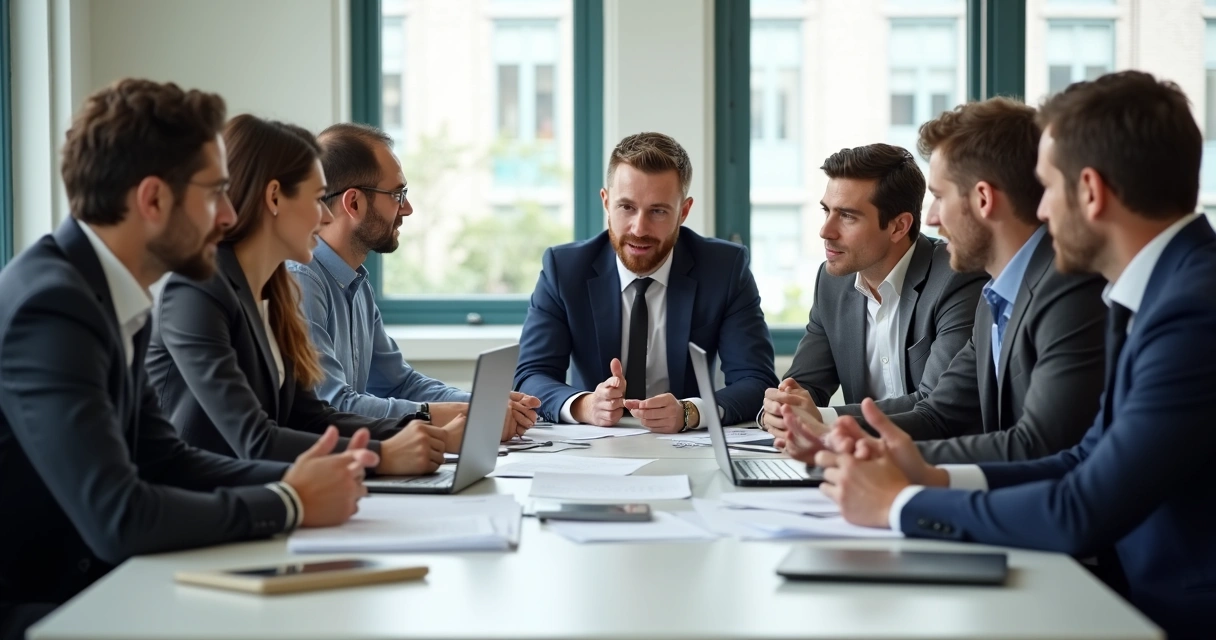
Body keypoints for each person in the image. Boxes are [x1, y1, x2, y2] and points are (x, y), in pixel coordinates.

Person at [795, 71, 1216, 639]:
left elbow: (1079, 504)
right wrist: (930, 476)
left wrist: (902, 503)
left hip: (1167, 610)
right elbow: (1082, 459)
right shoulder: (1147, 290)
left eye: (1047, 187)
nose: (1038, 211)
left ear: (1089, 192)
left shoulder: (1191, 307)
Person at [0, 80, 374, 640]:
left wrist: (300, 480)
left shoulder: (111, 291)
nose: (227, 216)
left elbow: (166, 458)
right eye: (214, 193)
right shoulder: (54, 306)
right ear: (152, 200)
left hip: (99, 586)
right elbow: (117, 517)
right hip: (43, 606)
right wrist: (289, 501)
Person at [770, 97, 1108, 464]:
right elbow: (939, 414)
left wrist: (895, 472)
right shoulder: (997, 296)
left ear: (983, 199)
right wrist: (833, 440)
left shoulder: (1063, 290)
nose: (930, 219)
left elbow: (1039, 448)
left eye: (939, 197)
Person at [146, 114, 452, 474]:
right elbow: (254, 439)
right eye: (318, 199)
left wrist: (420, 435)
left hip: (260, 492)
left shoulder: (273, 290)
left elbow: (310, 417)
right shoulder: (196, 288)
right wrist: (383, 455)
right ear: (275, 197)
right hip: (204, 507)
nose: (326, 217)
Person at [288, 123, 539, 441]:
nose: (407, 208)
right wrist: (458, 415)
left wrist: (481, 404)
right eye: (397, 194)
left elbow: (398, 383)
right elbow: (333, 405)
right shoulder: (302, 281)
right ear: (353, 204)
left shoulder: (357, 285)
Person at [514, 132, 778, 433]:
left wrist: (689, 411)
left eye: (658, 211)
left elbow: (757, 381)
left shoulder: (724, 269)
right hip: (594, 444)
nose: (639, 228)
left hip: (687, 446)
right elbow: (531, 375)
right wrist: (584, 405)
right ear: (606, 202)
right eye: (626, 207)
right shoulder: (564, 270)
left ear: (684, 211)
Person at [759, 144, 985, 432]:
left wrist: (823, 418)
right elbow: (804, 387)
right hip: (858, 460)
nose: (825, 231)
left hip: (935, 462)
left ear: (898, 227)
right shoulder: (832, 282)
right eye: (826, 211)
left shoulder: (956, 276)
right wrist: (781, 408)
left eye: (848, 216)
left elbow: (936, 404)